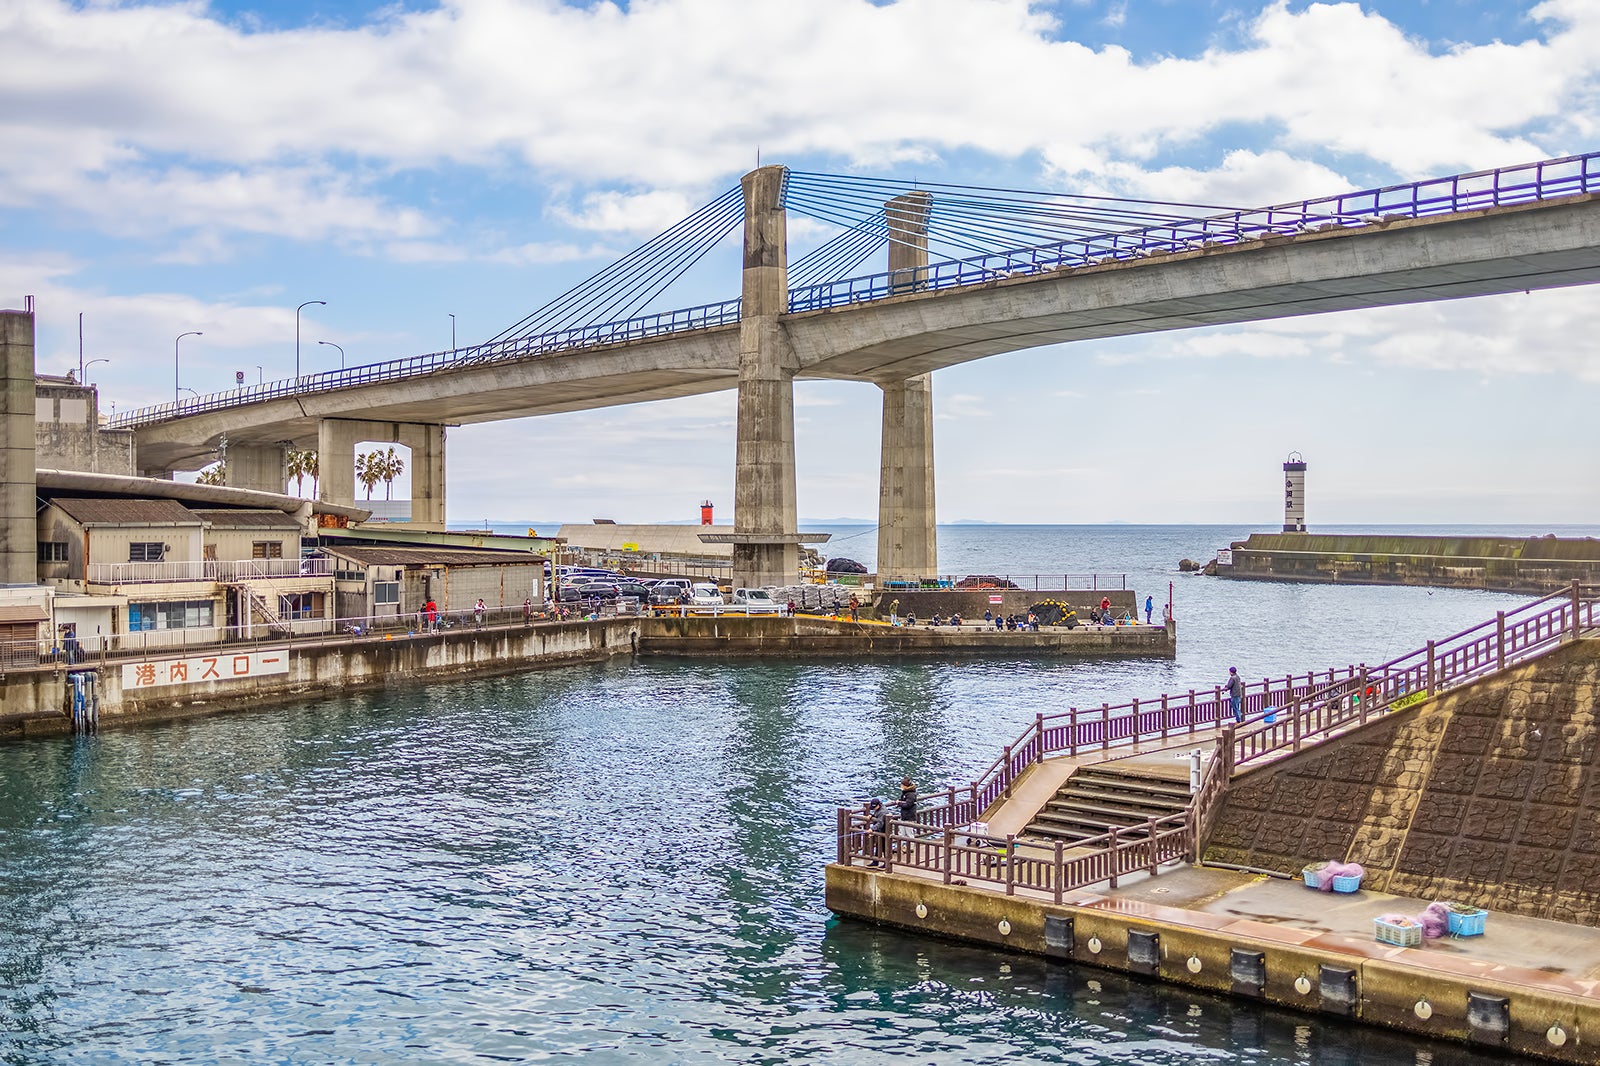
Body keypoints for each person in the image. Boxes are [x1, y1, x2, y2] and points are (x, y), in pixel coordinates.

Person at [866, 798, 888, 866]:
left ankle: (886, 863)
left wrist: (872, 829)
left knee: (884, 847)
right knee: (878, 846)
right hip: (879, 831)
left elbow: (880, 823)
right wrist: (872, 816)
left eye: (875, 807)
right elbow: (876, 816)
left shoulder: (882, 812)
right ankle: (875, 861)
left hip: (885, 830)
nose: (874, 808)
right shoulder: (878, 809)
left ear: (878, 805)